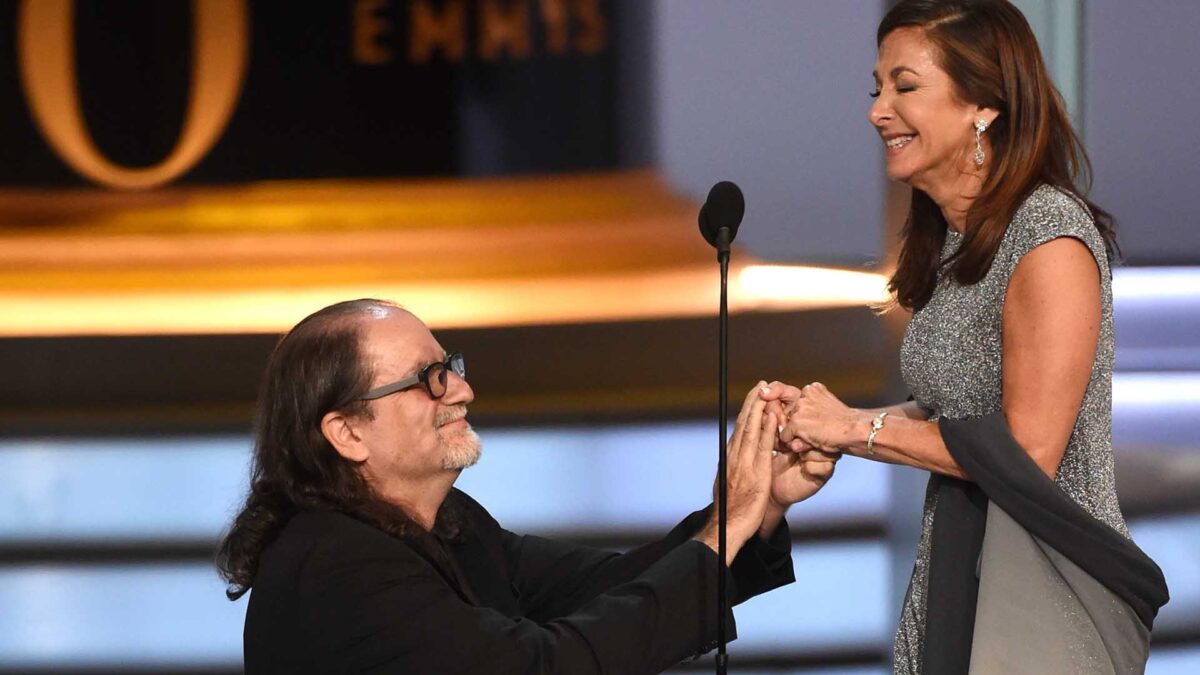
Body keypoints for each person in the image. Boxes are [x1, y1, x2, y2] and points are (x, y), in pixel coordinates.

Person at [764, 1, 1168, 673]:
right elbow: (958, 408)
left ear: (983, 104)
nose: (877, 110)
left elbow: (1025, 447)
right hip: (962, 563)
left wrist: (854, 431)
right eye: (877, 87)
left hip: (1047, 588)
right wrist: (827, 419)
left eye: (905, 85)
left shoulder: (1048, 237)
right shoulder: (959, 239)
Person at [216, 298, 835, 674]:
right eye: (428, 378)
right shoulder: (334, 567)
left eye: (449, 367)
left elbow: (610, 587)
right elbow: (545, 667)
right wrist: (730, 522)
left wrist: (757, 507)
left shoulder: (448, 521)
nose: (460, 390)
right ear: (347, 432)